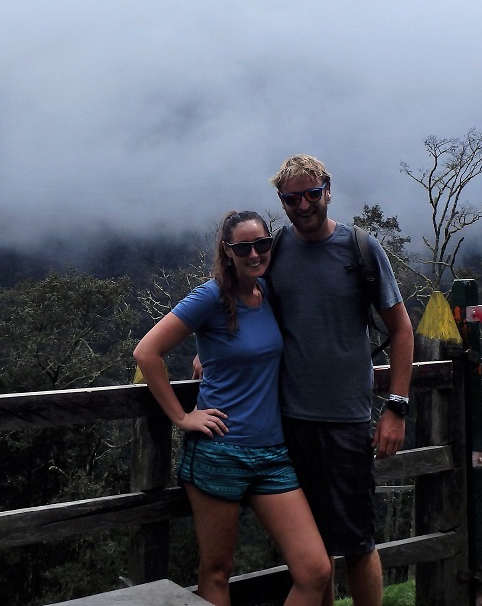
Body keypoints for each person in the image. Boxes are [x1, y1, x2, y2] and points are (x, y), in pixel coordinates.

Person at [133, 210, 332, 606]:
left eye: (262, 244)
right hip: (219, 452)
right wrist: (181, 416)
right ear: (227, 250)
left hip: (272, 454)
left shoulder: (268, 292)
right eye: (244, 247)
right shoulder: (211, 296)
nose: (255, 253)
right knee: (218, 571)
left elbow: (247, 348)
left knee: (315, 570)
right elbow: (146, 351)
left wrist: (208, 356)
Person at [268, 155, 415, 606]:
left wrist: (396, 406)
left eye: (312, 193)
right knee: (311, 554)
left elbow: (402, 330)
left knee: (357, 543)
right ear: (282, 201)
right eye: (293, 198)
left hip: (346, 420)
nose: (304, 205)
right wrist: (208, 355)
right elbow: (249, 312)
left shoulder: (362, 249)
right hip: (288, 422)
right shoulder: (274, 252)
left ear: (328, 190)